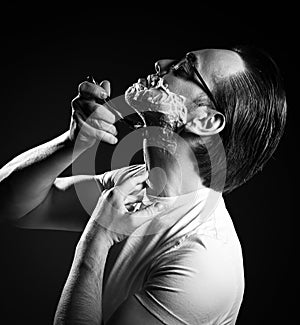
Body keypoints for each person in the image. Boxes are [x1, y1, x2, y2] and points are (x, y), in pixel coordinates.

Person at [0, 46, 287, 324]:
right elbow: (15, 206)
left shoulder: (205, 263)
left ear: (205, 121)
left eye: (184, 69)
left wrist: (96, 242)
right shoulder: (137, 183)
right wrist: (71, 145)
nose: (161, 64)